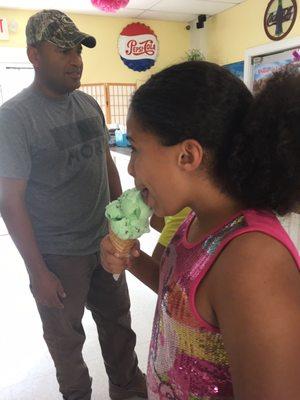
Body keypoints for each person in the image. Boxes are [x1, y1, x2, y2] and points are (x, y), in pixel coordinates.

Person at [100, 61, 300, 399]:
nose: (130, 166)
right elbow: (178, 295)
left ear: (187, 155)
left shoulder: (252, 262)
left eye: (135, 148)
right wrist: (131, 258)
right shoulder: (196, 219)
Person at [0, 9, 146, 400]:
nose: (76, 59)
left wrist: (123, 230)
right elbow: (9, 201)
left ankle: (130, 393)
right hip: (58, 257)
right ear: (34, 55)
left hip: (104, 246)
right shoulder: (13, 118)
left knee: (119, 328)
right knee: (67, 345)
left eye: (78, 49)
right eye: (63, 50)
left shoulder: (90, 107)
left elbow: (107, 170)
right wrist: (37, 272)